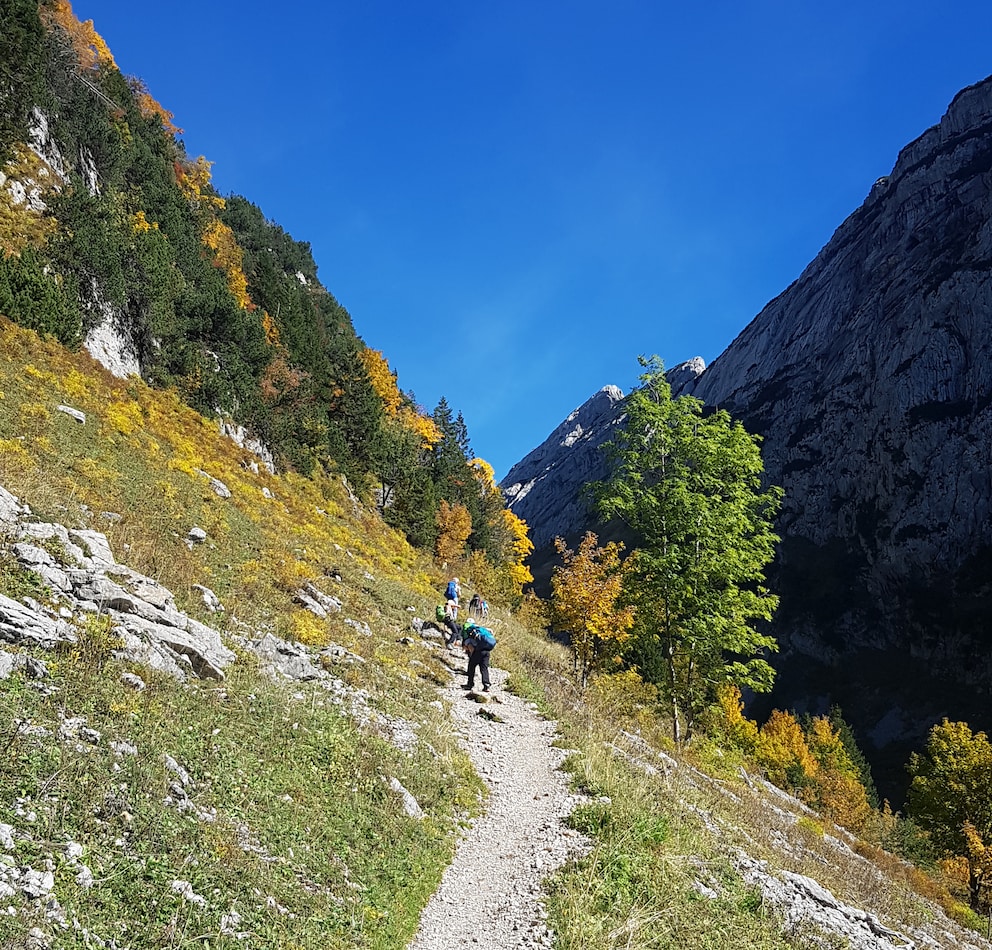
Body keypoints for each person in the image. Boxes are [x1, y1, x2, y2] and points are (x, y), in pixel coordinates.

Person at [461, 620, 496, 692]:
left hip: (479, 651)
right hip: (487, 651)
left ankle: (470, 684)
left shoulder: (471, 637)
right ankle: (486, 684)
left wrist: (472, 654)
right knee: (484, 668)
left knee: (471, 666)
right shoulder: (482, 630)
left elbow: (470, 648)